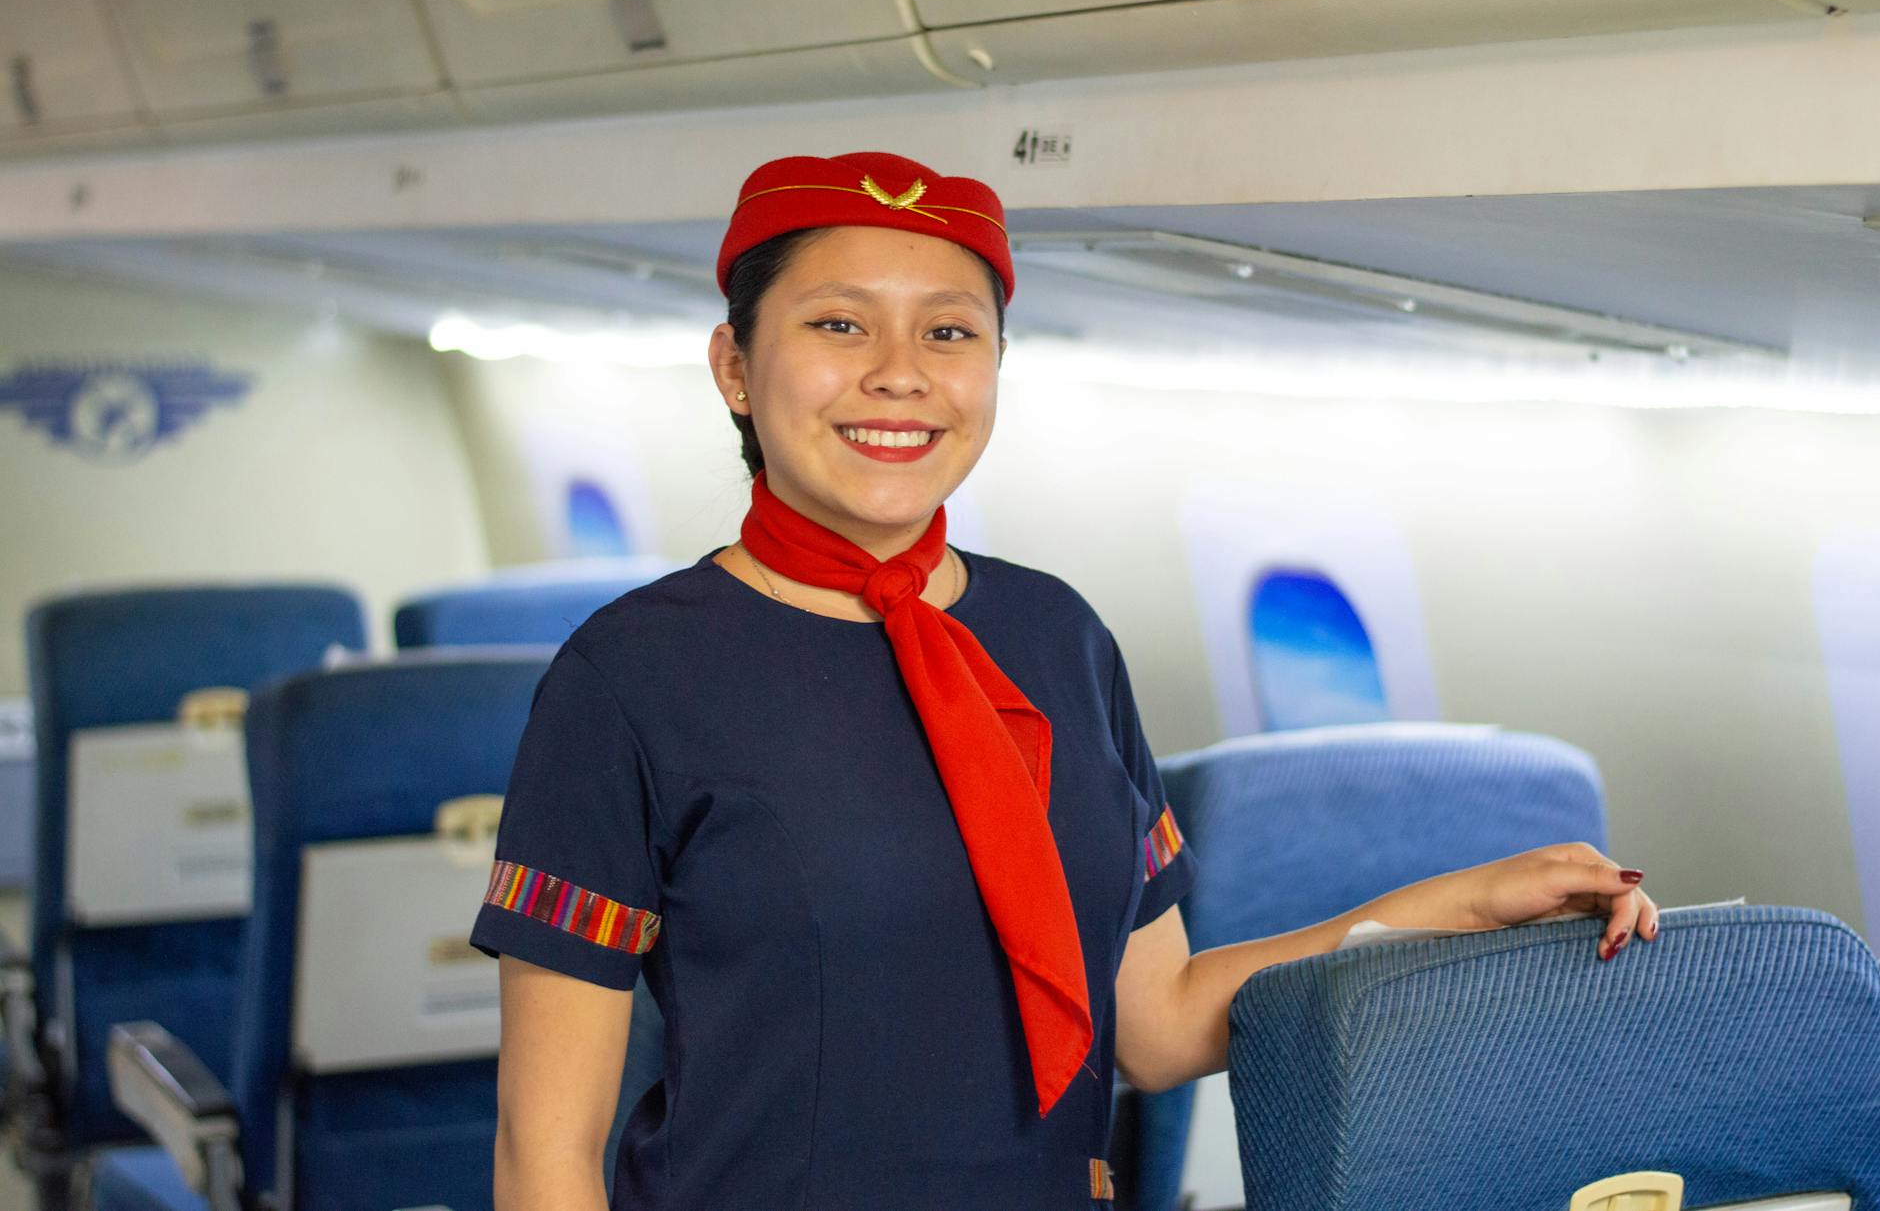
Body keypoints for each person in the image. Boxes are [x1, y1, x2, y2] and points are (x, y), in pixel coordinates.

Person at [471, 151, 1659, 1211]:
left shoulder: (1056, 636)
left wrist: (1463, 899)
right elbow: (546, 1151)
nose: (900, 375)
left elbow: (1157, 1022)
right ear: (736, 365)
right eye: (838, 326)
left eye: (948, 332)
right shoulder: (629, 674)